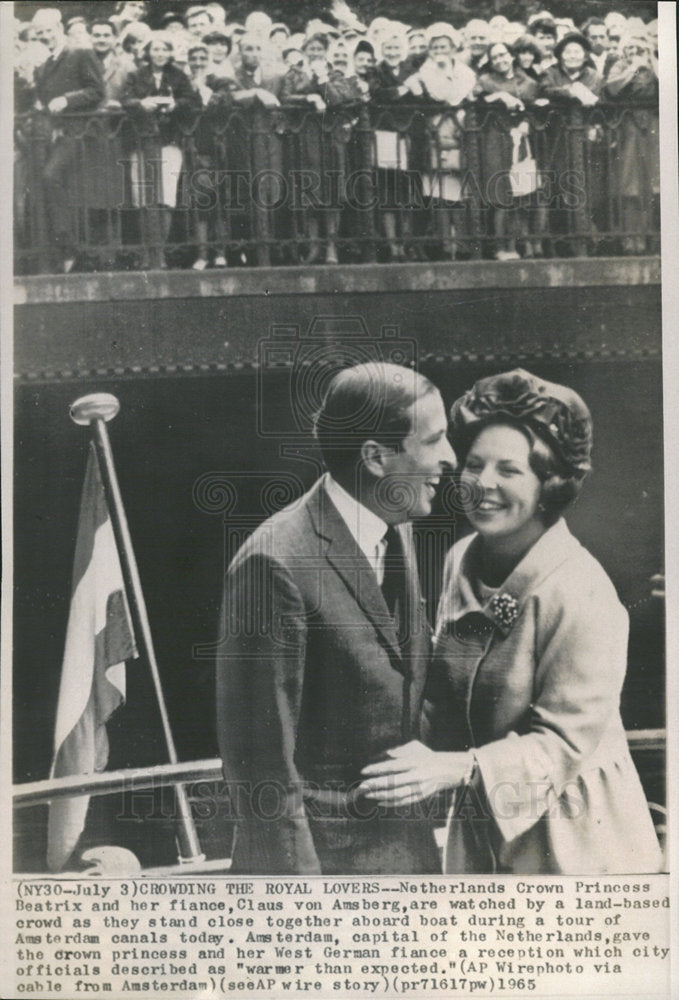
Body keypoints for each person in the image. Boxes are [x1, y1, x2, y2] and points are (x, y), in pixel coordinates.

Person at [358, 368, 663, 875]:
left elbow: (563, 743)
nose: (483, 485)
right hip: (485, 822)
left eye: (509, 470)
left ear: (550, 483)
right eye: (474, 465)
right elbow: (443, 693)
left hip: (577, 834)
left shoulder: (583, 592)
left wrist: (453, 768)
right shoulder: (461, 559)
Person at [216, 362, 456, 874]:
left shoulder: (396, 526)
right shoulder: (273, 563)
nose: (449, 459)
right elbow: (261, 769)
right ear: (375, 457)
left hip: (408, 863)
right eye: (434, 440)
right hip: (326, 883)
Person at [31, 7, 105, 272]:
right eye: (39, 34)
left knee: (50, 177)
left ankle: (69, 248)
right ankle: (59, 252)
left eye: (48, 31)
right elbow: (41, 100)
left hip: (81, 133)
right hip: (54, 135)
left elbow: (97, 91)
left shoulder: (80, 53)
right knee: (42, 184)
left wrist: (67, 100)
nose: (44, 37)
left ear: (59, 29)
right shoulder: (44, 63)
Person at [122, 32, 199, 267]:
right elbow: (126, 99)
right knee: (143, 196)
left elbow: (193, 101)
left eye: (164, 49)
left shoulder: (178, 75)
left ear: (170, 52)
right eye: (155, 49)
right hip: (141, 141)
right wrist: (141, 103)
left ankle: (160, 253)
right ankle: (148, 251)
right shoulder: (136, 75)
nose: (160, 54)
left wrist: (176, 105)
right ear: (148, 52)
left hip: (169, 140)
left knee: (165, 197)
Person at [473, 41, 539, 260]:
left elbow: (533, 108)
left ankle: (519, 245)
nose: (500, 60)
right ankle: (501, 247)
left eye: (503, 55)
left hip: (519, 139)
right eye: (494, 57)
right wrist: (499, 96)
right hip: (495, 138)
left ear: (511, 56)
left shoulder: (527, 82)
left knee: (520, 193)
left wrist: (527, 122)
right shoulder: (485, 81)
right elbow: (476, 102)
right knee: (501, 194)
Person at [604, 29, 659, 254]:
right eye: (631, 47)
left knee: (652, 182)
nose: (635, 51)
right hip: (628, 125)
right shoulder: (620, 65)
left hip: (653, 125)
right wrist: (633, 67)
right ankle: (630, 236)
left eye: (640, 47)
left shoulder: (653, 64)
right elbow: (612, 88)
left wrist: (651, 60)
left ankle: (650, 237)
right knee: (630, 183)